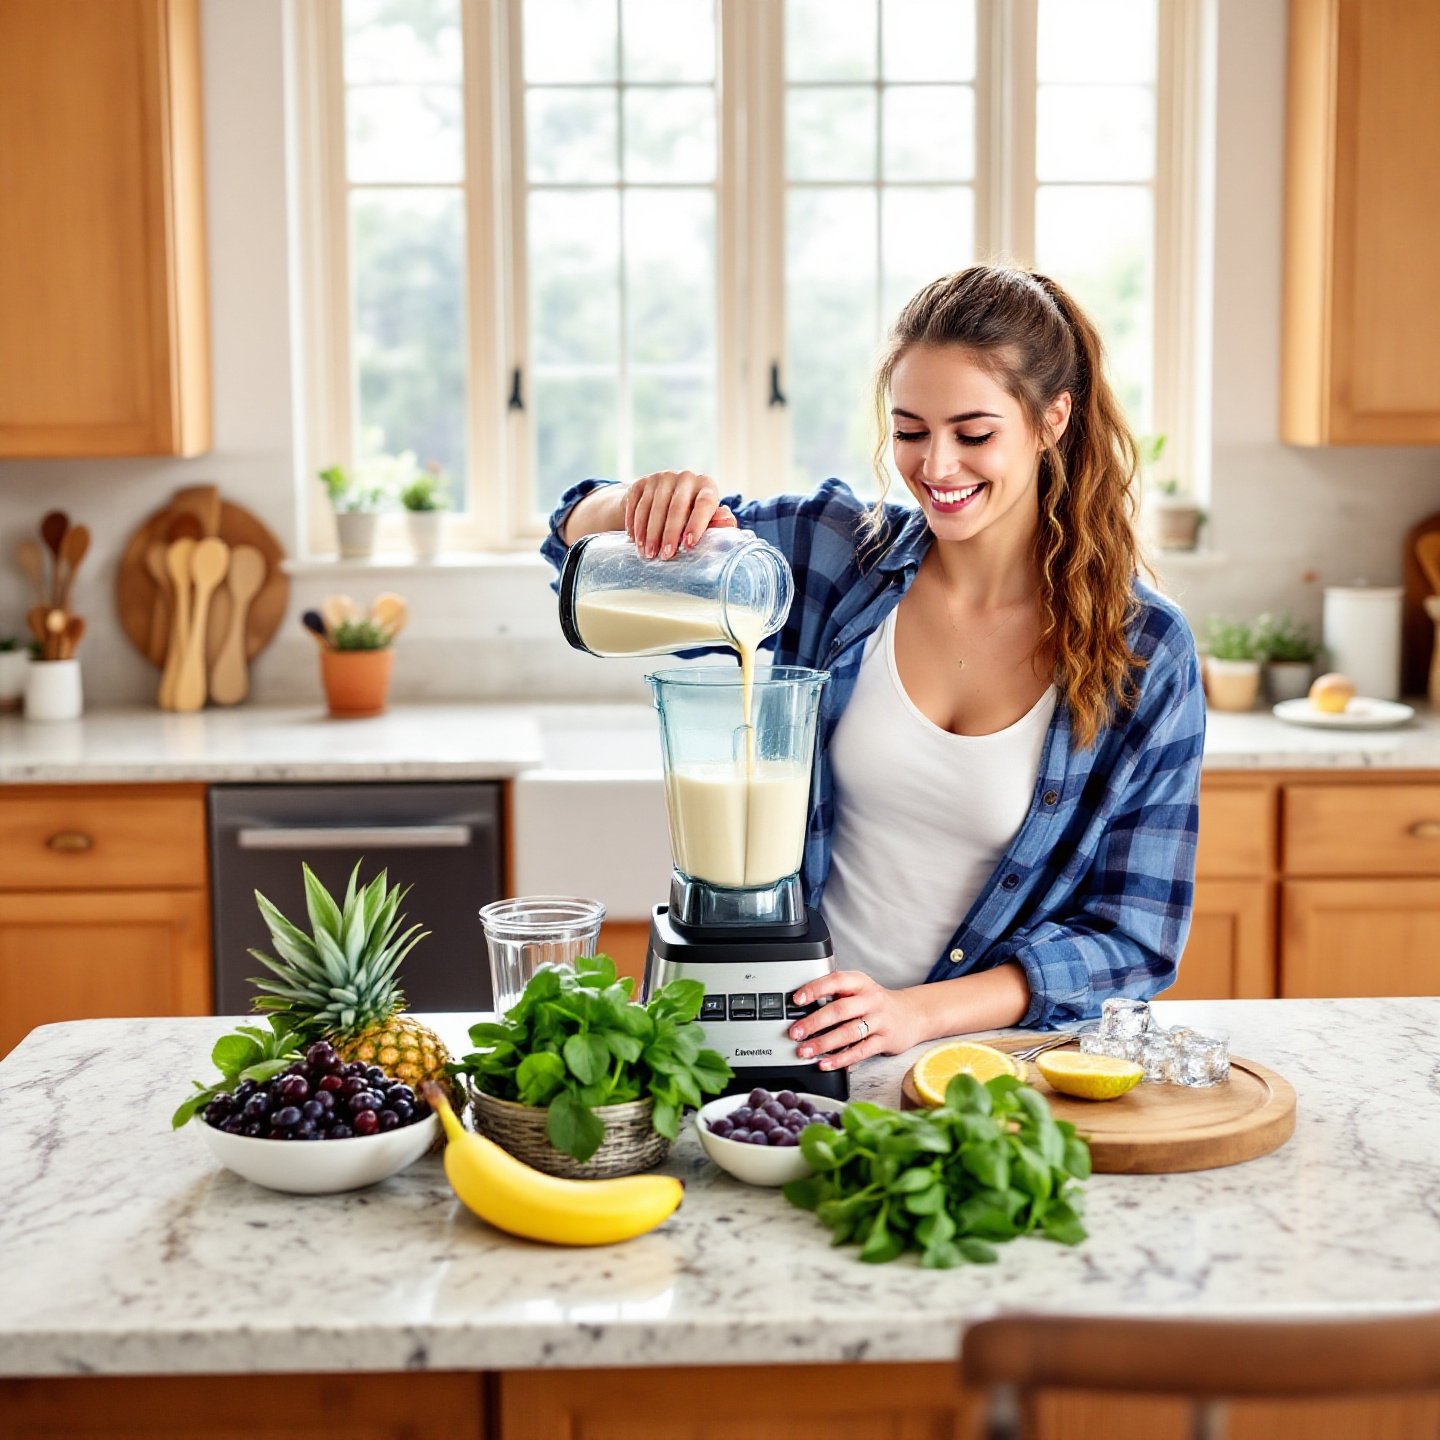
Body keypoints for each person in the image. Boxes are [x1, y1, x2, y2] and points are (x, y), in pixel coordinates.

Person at [541, 264, 1205, 1072]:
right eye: (911, 430)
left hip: (987, 1071)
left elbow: (1133, 938)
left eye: (974, 432)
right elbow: (572, 548)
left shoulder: (1141, 650)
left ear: (1050, 421)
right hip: (794, 1041)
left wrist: (913, 1014)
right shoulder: (834, 557)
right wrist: (633, 505)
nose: (937, 467)